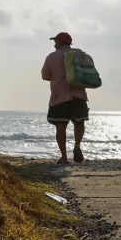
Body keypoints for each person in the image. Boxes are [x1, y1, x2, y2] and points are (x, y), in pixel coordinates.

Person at [41, 32, 89, 163]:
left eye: (56, 41)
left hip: (59, 97)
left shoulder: (52, 57)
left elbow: (45, 75)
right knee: (79, 122)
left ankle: (64, 157)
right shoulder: (80, 54)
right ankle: (77, 146)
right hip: (79, 95)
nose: (55, 44)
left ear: (60, 43)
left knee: (61, 125)